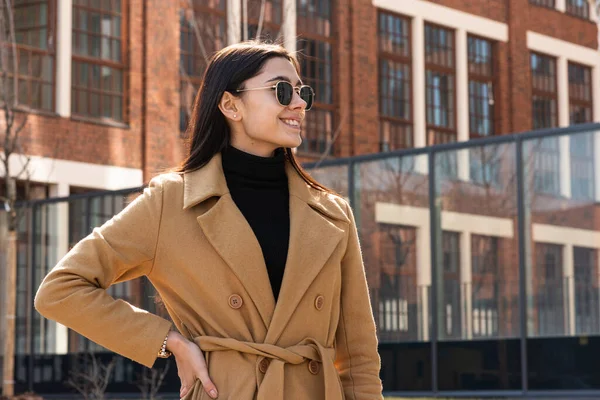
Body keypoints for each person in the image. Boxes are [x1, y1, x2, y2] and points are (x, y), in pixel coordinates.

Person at [34, 40, 382, 400]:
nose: (299, 104)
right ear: (231, 105)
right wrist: (168, 341)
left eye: (302, 92)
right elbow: (61, 290)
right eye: (281, 90)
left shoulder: (332, 213)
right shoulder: (171, 202)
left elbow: (358, 357)